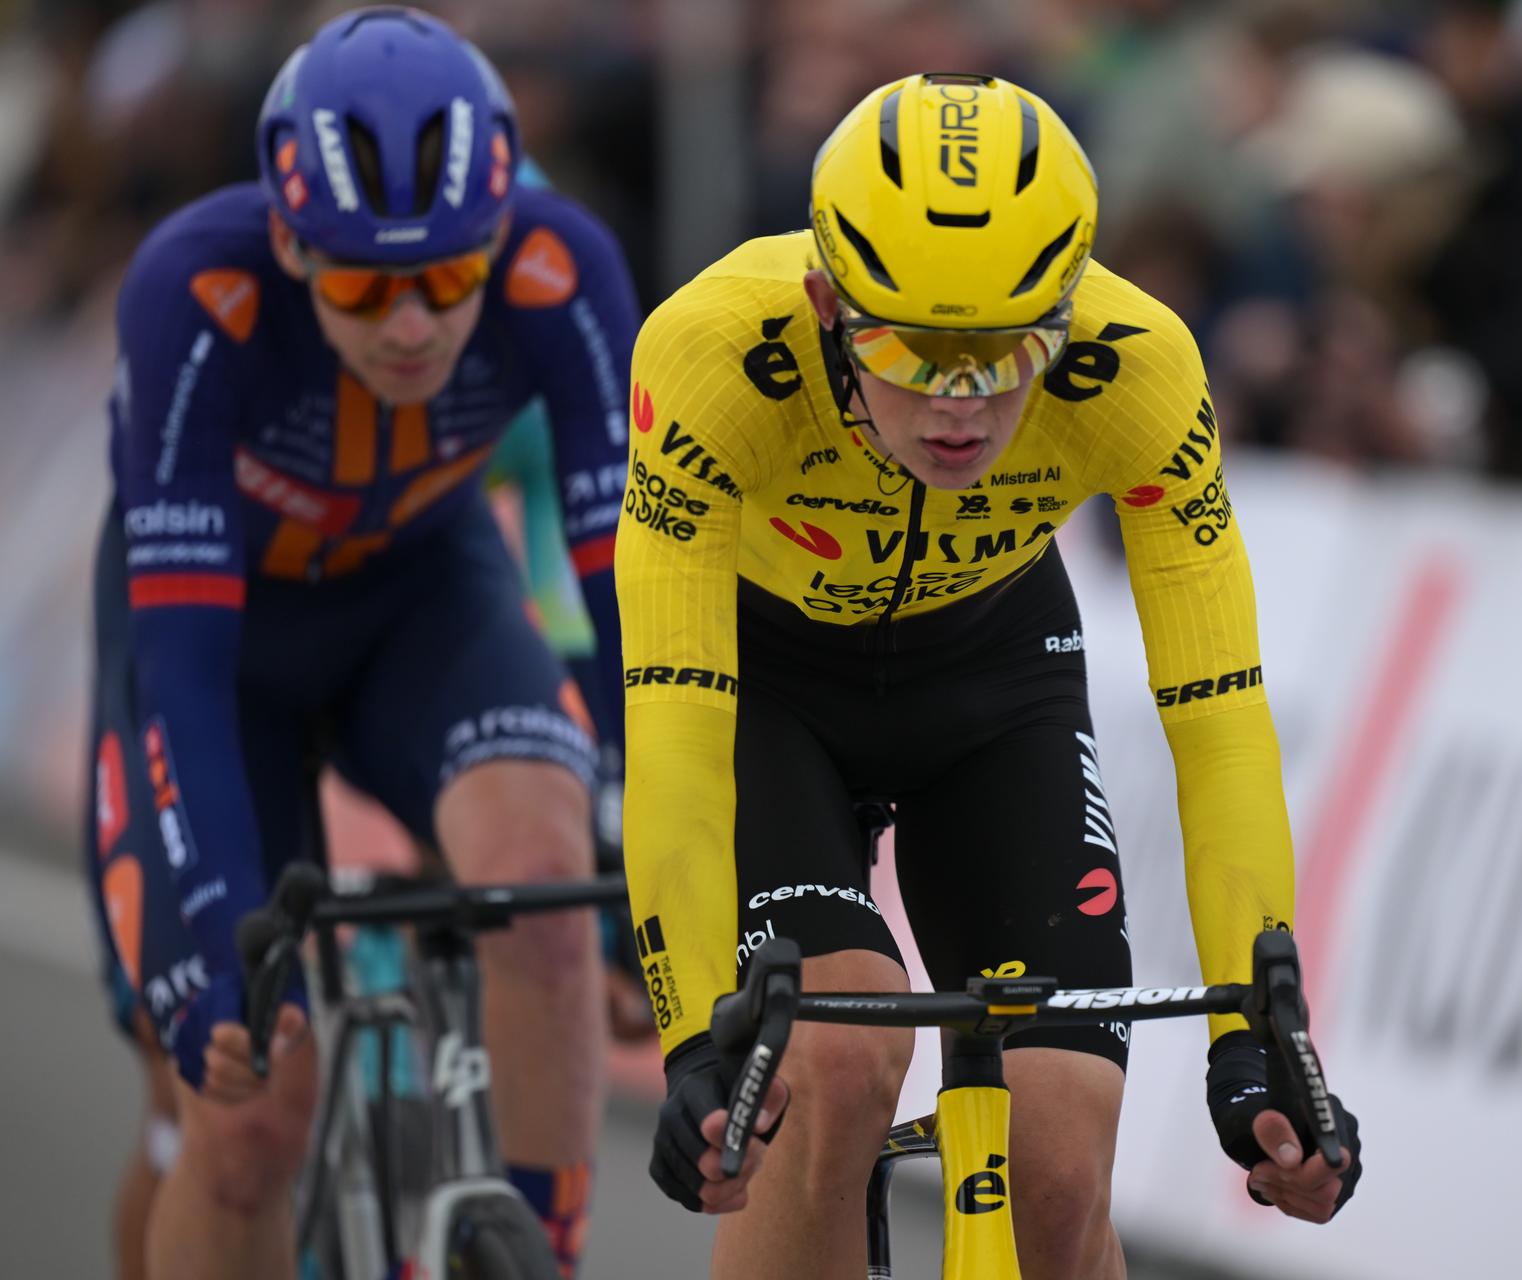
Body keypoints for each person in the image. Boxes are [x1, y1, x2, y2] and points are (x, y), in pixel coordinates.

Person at [615, 73, 1362, 1278]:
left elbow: (1220, 730)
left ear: (1067, 309)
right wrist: (695, 1027)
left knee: (1061, 1165)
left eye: (1006, 353)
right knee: (829, 1062)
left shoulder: (1142, 368)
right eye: (916, 353)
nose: (961, 404)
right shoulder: (710, 354)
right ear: (824, 304)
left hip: (994, 672)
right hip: (770, 684)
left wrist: (1258, 1028)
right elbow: (676, 732)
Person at [83, 9, 637, 1278]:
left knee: (544, 892)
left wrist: (644, 875)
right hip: (222, 645)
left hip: (422, 597)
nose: (410, 325)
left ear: (500, 236)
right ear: (287, 241)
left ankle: (528, 1253)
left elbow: (630, 616)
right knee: (241, 1113)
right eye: (361, 284)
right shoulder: (194, 288)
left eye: (449, 276)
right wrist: (220, 935)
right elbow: (177, 670)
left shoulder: (566, 268)